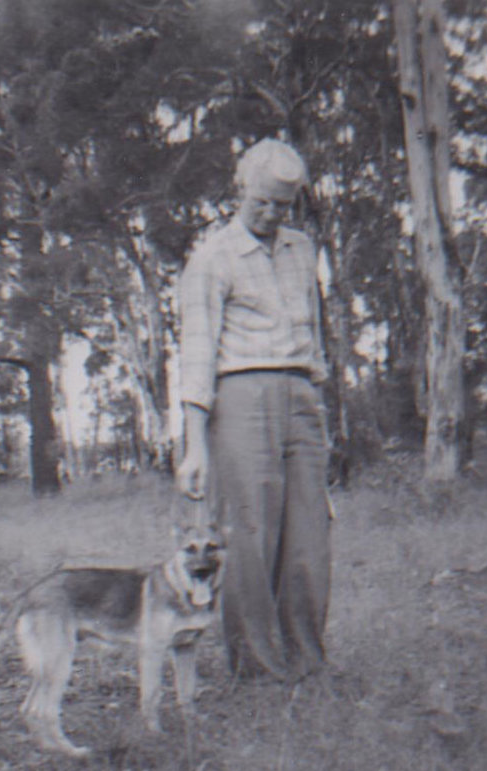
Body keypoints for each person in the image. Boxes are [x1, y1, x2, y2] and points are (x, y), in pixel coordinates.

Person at [175, 138, 332, 683]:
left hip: (301, 395)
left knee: (309, 536)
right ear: (241, 188)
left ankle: (308, 662)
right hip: (241, 396)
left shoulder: (302, 249)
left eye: (282, 205)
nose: (270, 214)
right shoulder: (212, 256)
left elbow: (313, 334)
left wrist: (316, 402)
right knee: (249, 534)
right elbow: (196, 353)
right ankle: (260, 671)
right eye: (261, 201)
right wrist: (194, 443)